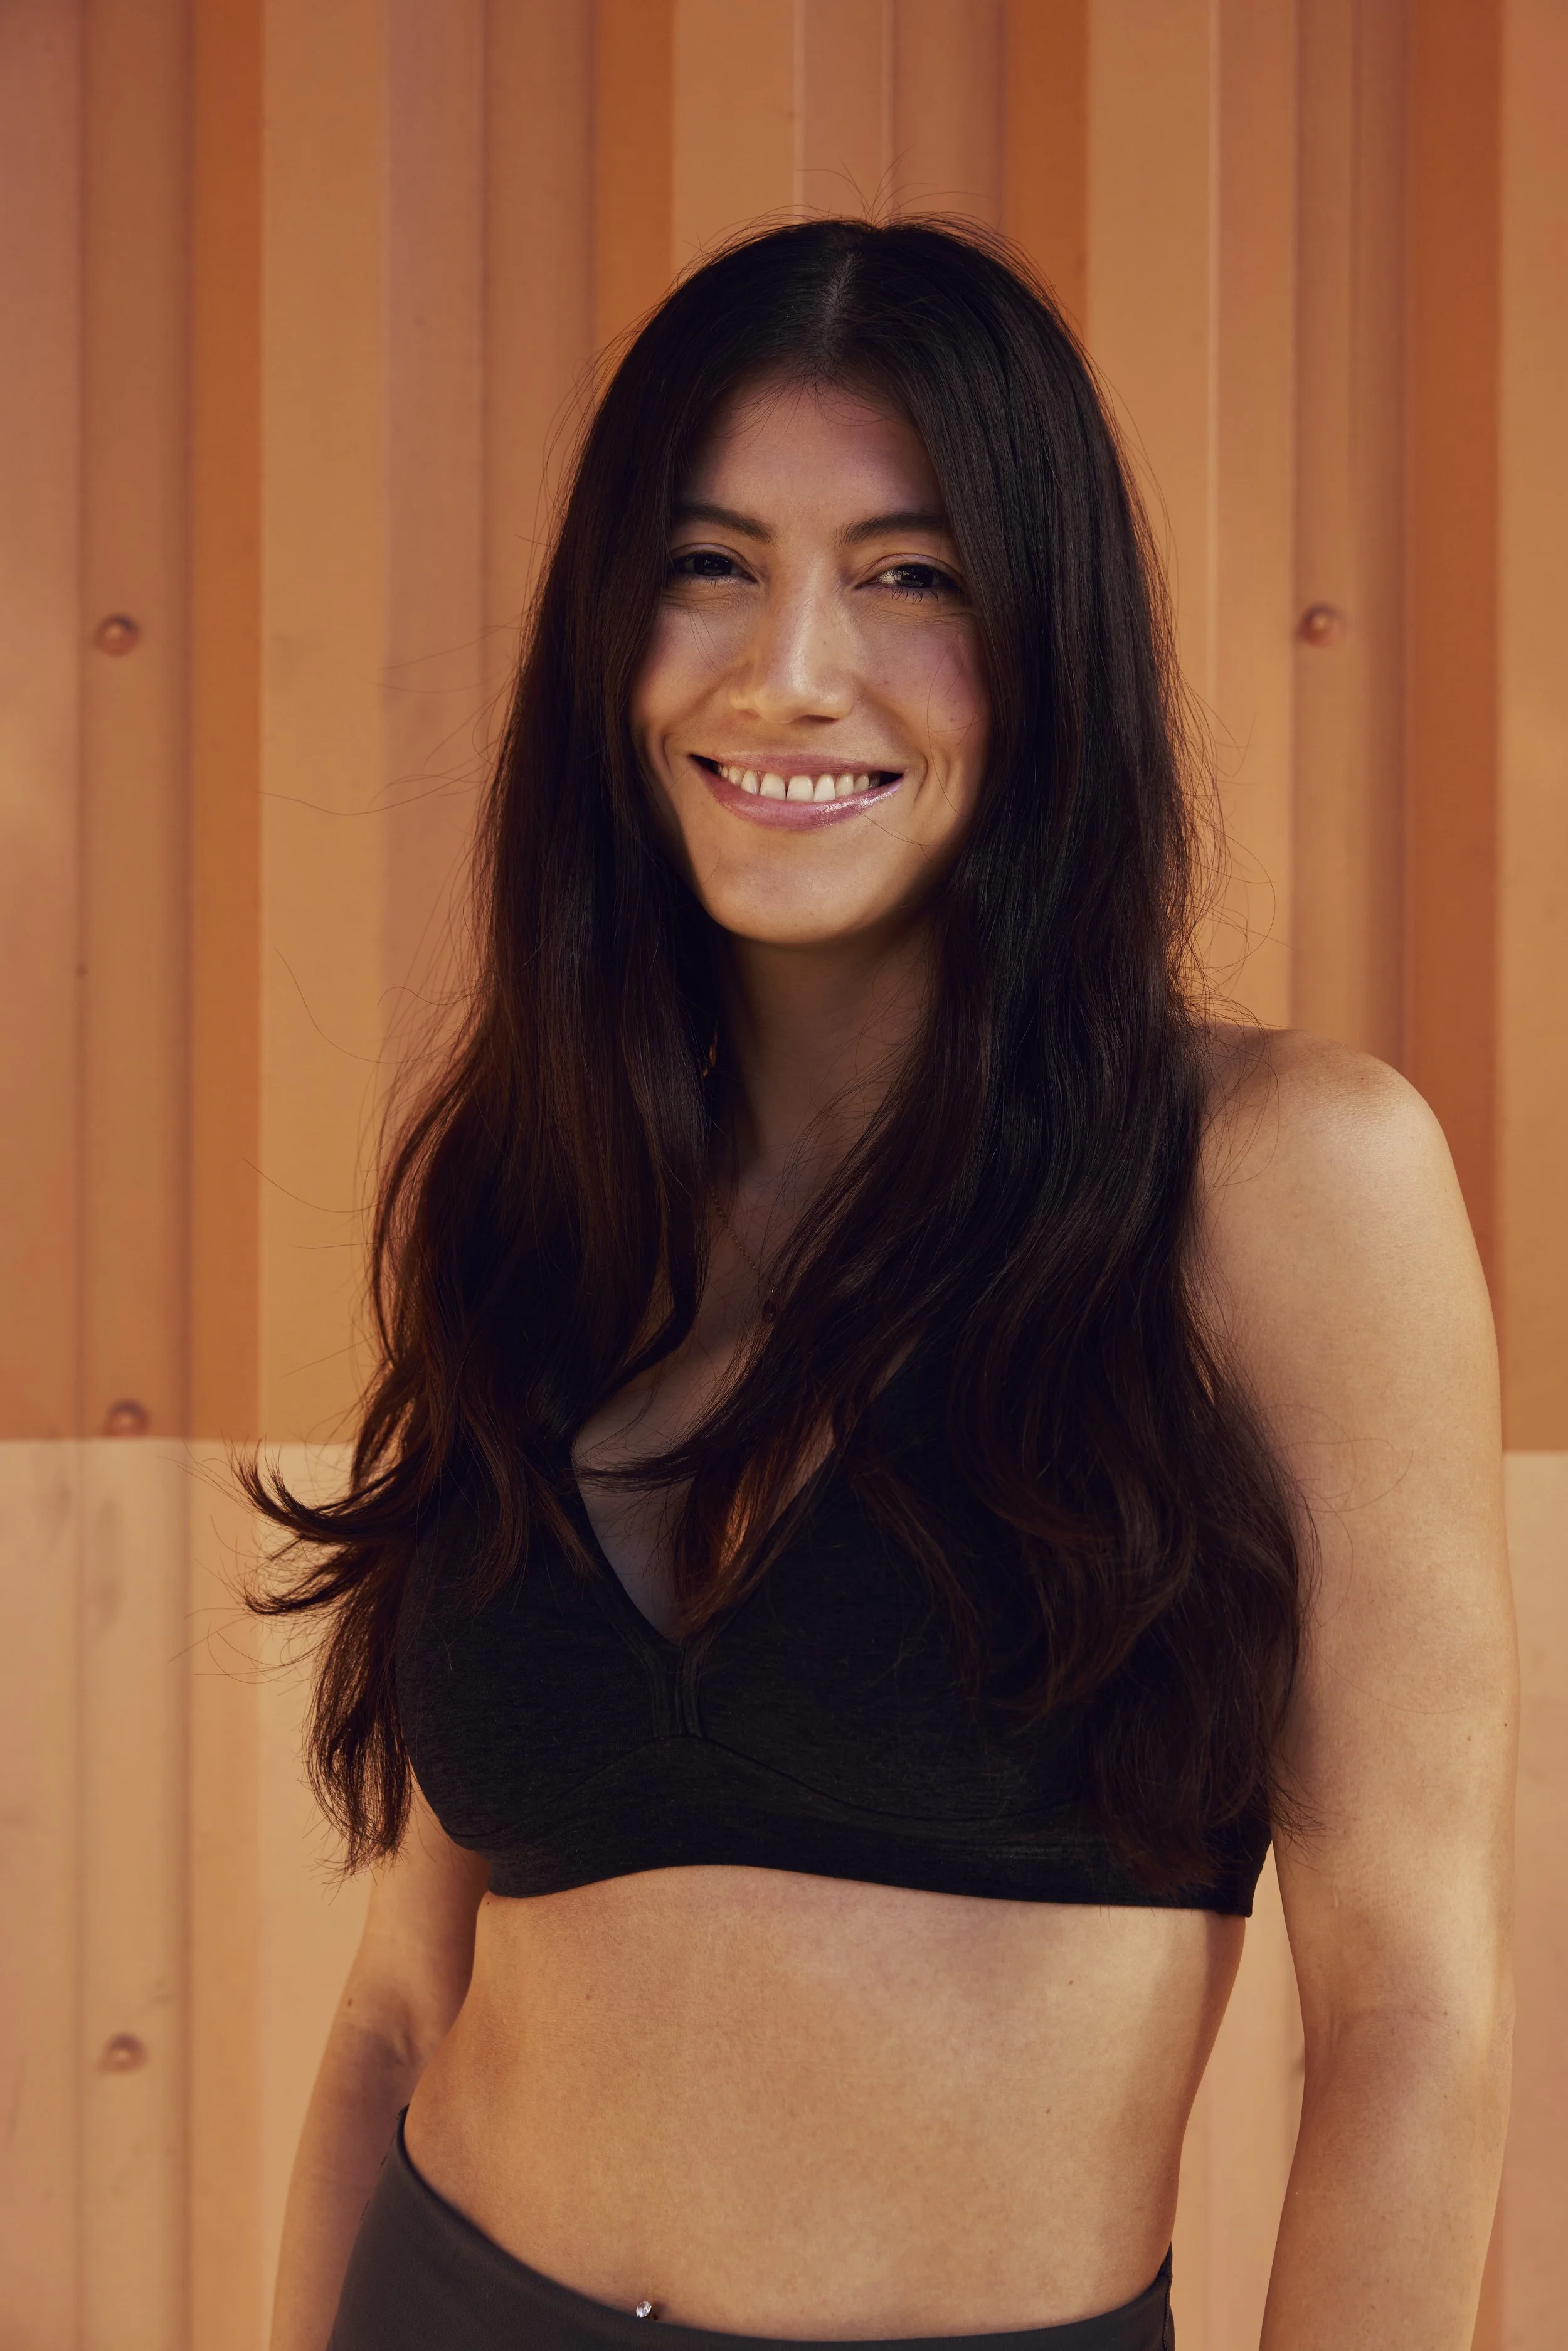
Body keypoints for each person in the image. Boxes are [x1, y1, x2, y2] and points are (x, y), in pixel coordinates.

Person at [254, 220, 1515, 2351]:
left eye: (908, 575)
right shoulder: (539, 1188)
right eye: (709, 562)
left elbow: (1409, 2009)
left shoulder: (1280, 1177)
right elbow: (399, 2003)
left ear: (1048, 651)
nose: (789, 671)